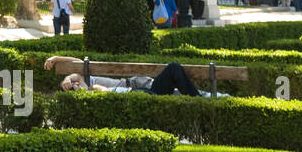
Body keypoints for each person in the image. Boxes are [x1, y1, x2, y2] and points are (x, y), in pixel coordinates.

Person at [46, 57, 221, 97]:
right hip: (141, 91)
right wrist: (79, 87)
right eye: (74, 87)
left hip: (142, 85)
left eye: (75, 83)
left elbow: (77, 66)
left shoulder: (85, 80)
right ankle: (198, 99)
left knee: (179, 89)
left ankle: (203, 97)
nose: (76, 84)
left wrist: (66, 77)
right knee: (174, 69)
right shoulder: (89, 91)